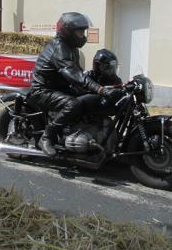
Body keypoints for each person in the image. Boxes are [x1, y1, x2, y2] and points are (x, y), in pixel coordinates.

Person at [28, 12, 118, 155]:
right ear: (68, 31)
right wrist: (99, 88)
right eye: (79, 31)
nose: (82, 35)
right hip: (43, 89)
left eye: (83, 31)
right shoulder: (59, 47)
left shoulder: (72, 48)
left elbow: (78, 75)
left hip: (61, 88)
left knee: (89, 99)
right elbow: (73, 73)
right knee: (73, 104)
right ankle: (47, 137)